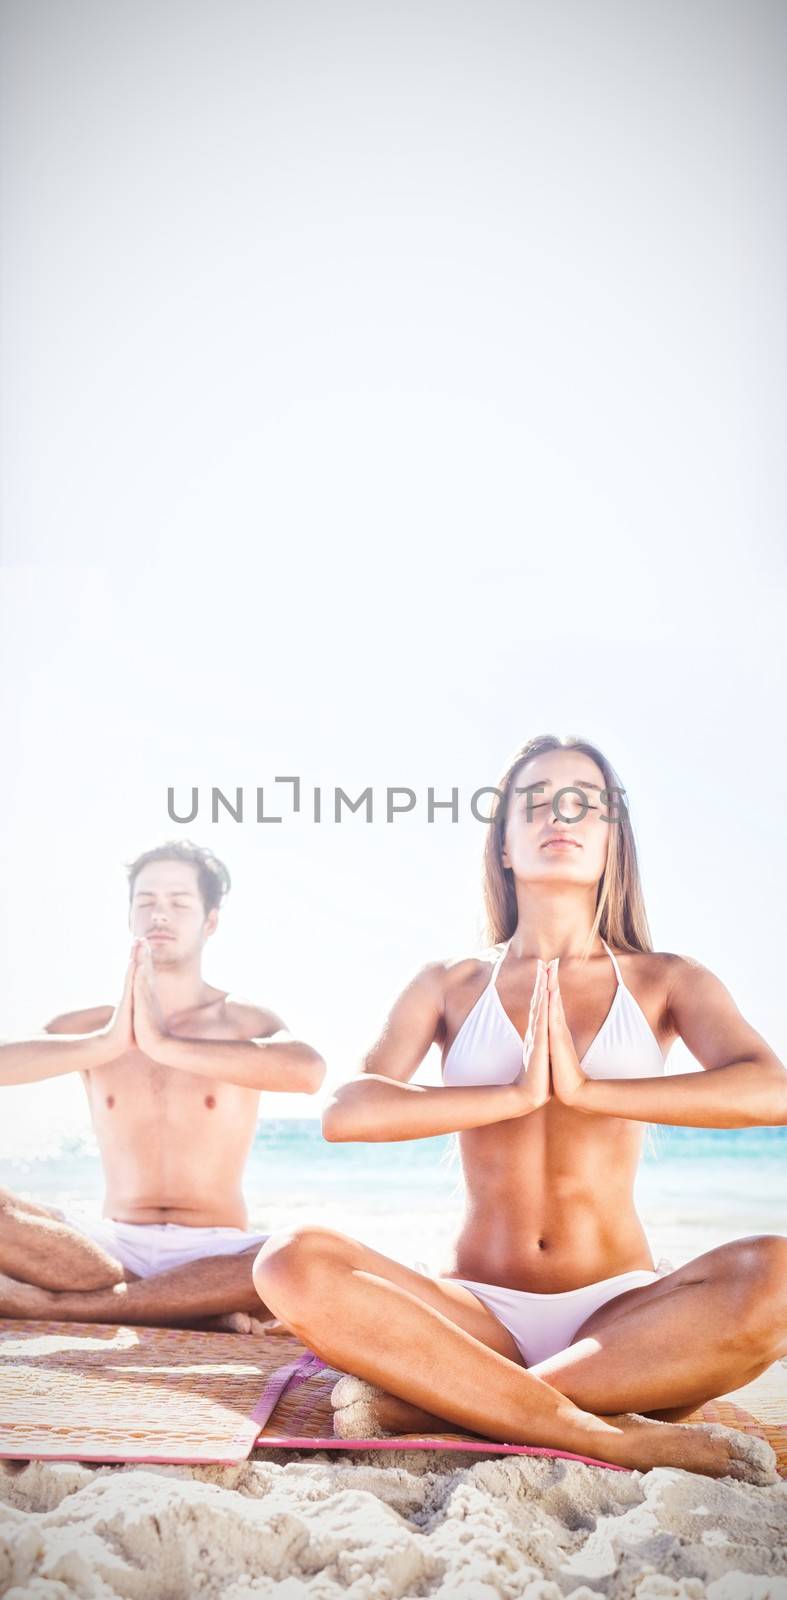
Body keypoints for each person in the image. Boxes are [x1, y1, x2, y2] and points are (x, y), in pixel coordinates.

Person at [252, 735, 787, 1480]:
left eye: (583, 802)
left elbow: (770, 1090)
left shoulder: (667, 979)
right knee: (289, 1260)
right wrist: (510, 1096)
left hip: (623, 1315)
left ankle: (452, 1406)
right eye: (533, 801)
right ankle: (602, 1435)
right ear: (501, 844)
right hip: (473, 1315)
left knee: (776, 1274)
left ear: (611, 842)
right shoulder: (451, 981)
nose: (557, 815)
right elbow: (348, 1111)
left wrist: (589, 1091)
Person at [0, 840, 325, 1329]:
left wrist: (163, 1044)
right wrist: (110, 1042)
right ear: (129, 915)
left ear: (209, 920)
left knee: (311, 1256)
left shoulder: (242, 1021)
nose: (160, 914)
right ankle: (188, 1307)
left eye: (178, 902)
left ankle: (64, 1306)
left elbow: (308, 1072)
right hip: (104, 1246)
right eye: (146, 901)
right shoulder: (90, 1026)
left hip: (216, 1248)